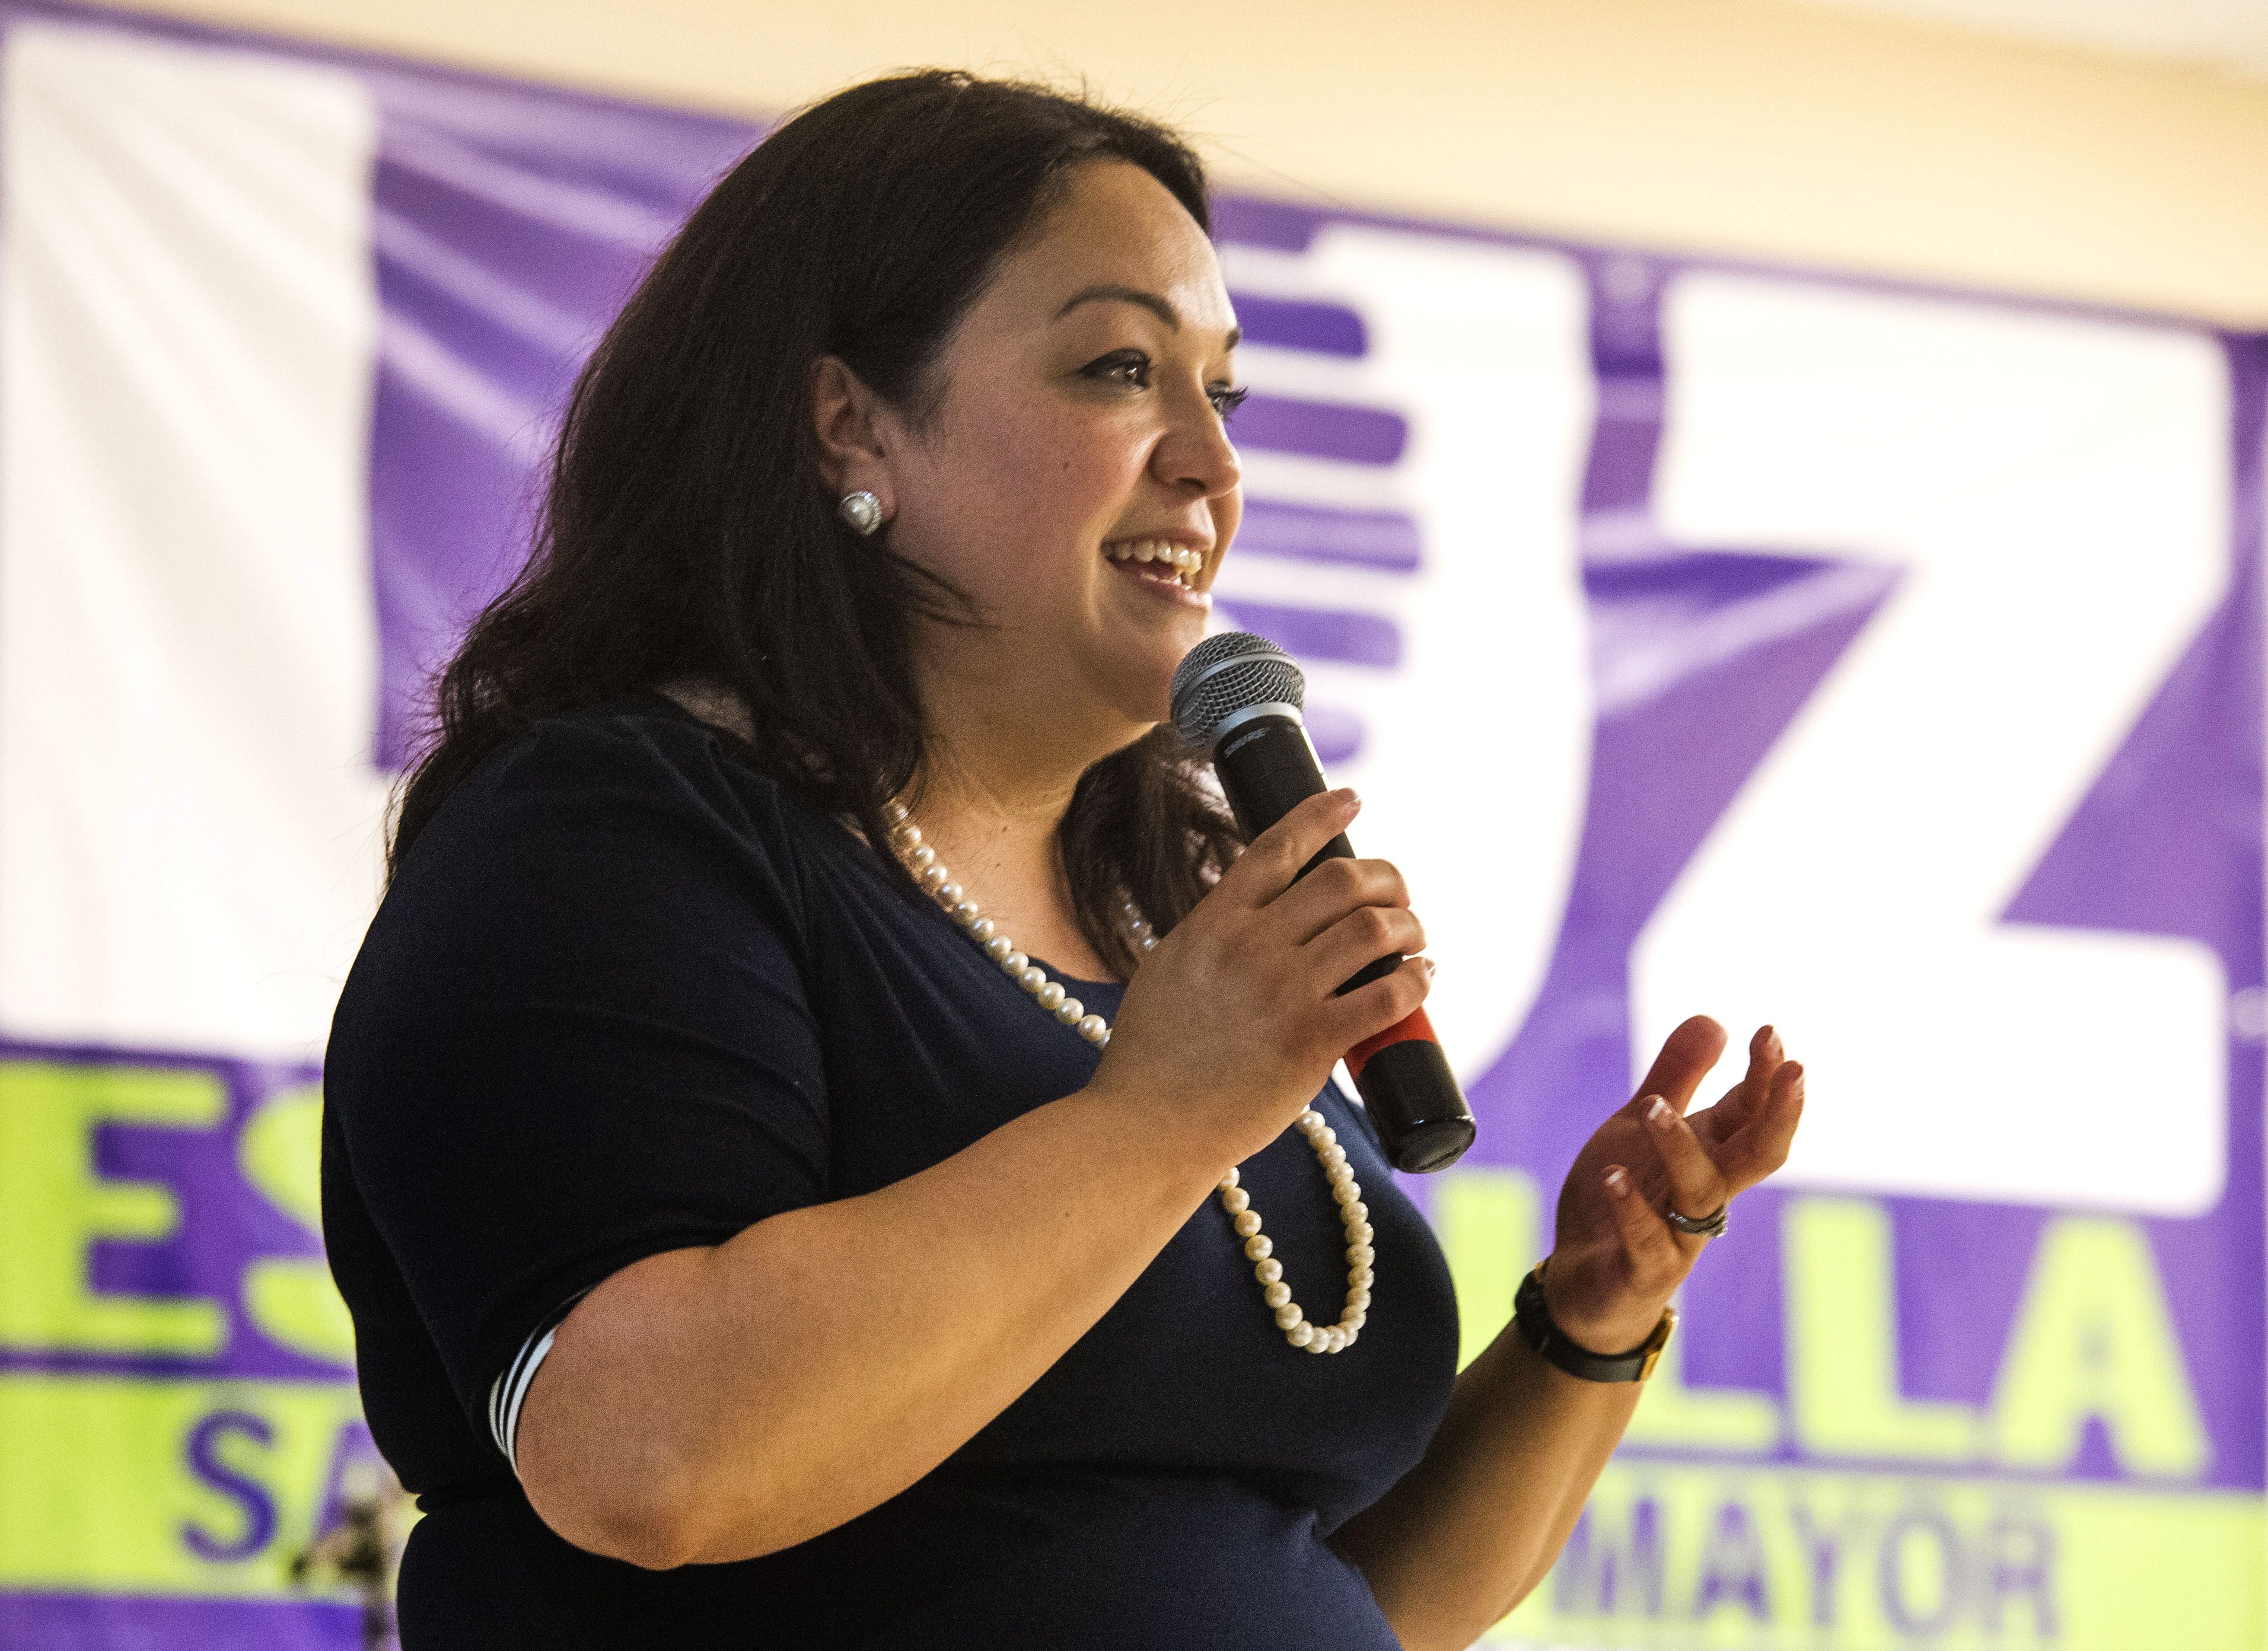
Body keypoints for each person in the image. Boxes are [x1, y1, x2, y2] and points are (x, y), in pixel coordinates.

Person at [321, 69, 1806, 1651]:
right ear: (852, 426)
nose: (1210, 467)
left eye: (1221, 395)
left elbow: (1345, 1591)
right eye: (1119, 369)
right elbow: (651, 1460)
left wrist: (1589, 1321)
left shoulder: (1158, 921)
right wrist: (1163, 1116)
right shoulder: (608, 836)